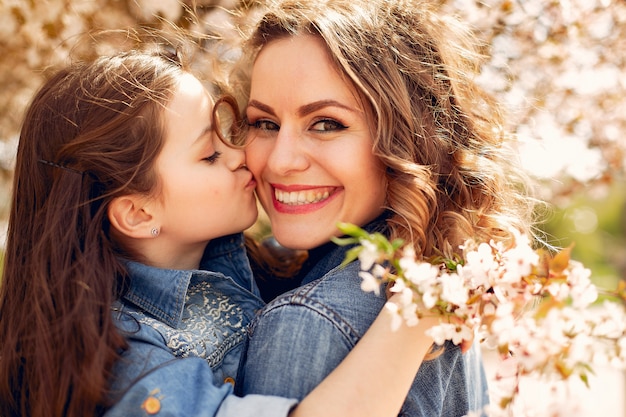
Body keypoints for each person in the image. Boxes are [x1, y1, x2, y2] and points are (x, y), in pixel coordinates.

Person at [0, 47, 448, 417]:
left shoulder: (243, 263)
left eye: (232, 133)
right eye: (209, 155)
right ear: (137, 212)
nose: (240, 155)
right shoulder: (123, 361)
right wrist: (418, 314)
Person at [234, 0, 537, 415]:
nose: (280, 161)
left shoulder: (308, 323)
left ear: (409, 140)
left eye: (327, 123)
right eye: (265, 124)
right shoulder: (442, 277)